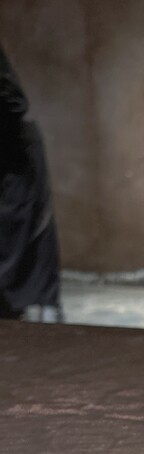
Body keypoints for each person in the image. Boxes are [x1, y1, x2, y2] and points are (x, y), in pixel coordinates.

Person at [0, 45, 63, 322]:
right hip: (11, 154)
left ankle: (45, 317)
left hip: (15, 156)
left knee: (29, 236)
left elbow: (13, 102)